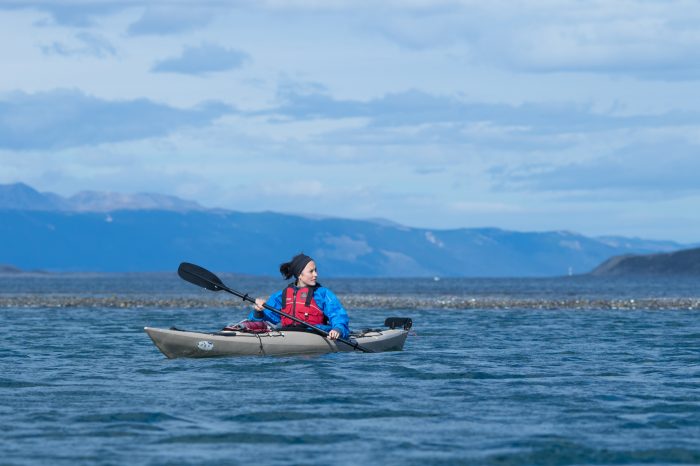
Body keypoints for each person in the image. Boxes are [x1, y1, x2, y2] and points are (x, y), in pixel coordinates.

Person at [248, 253, 350, 340]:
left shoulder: (323, 294)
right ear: (299, 275)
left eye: (316, 270)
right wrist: (258, 311)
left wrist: (338, 329)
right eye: (311, 271)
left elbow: (337, 315)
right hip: (287, 334)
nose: (316, 274)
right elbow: (266, 319)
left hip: (315, 335)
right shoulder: (281, 295)